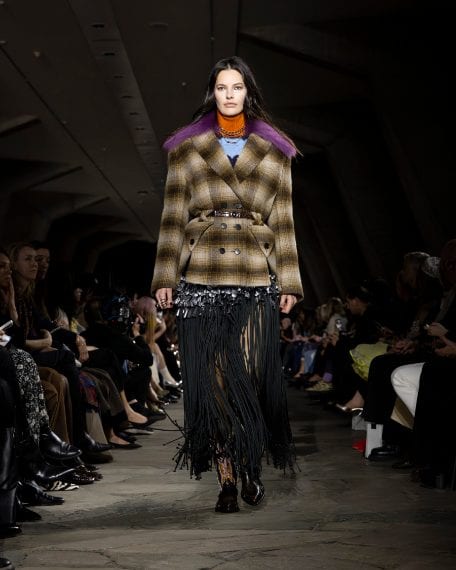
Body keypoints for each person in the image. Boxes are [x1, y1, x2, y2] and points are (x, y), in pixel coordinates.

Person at [152, 56, 303, 513]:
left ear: (248, 92)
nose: (230, 94)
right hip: (201, 275)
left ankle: (250, 465)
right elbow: (173, 216)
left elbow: (283, 220)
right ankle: (227, 480)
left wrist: (290, 281)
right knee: (213, 385)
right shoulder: (186, 149)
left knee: (249, 380)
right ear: (212, 93)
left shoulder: (276, 150)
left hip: (255, 275)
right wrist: (164, 276)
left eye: (237, 87)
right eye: (222, 87)